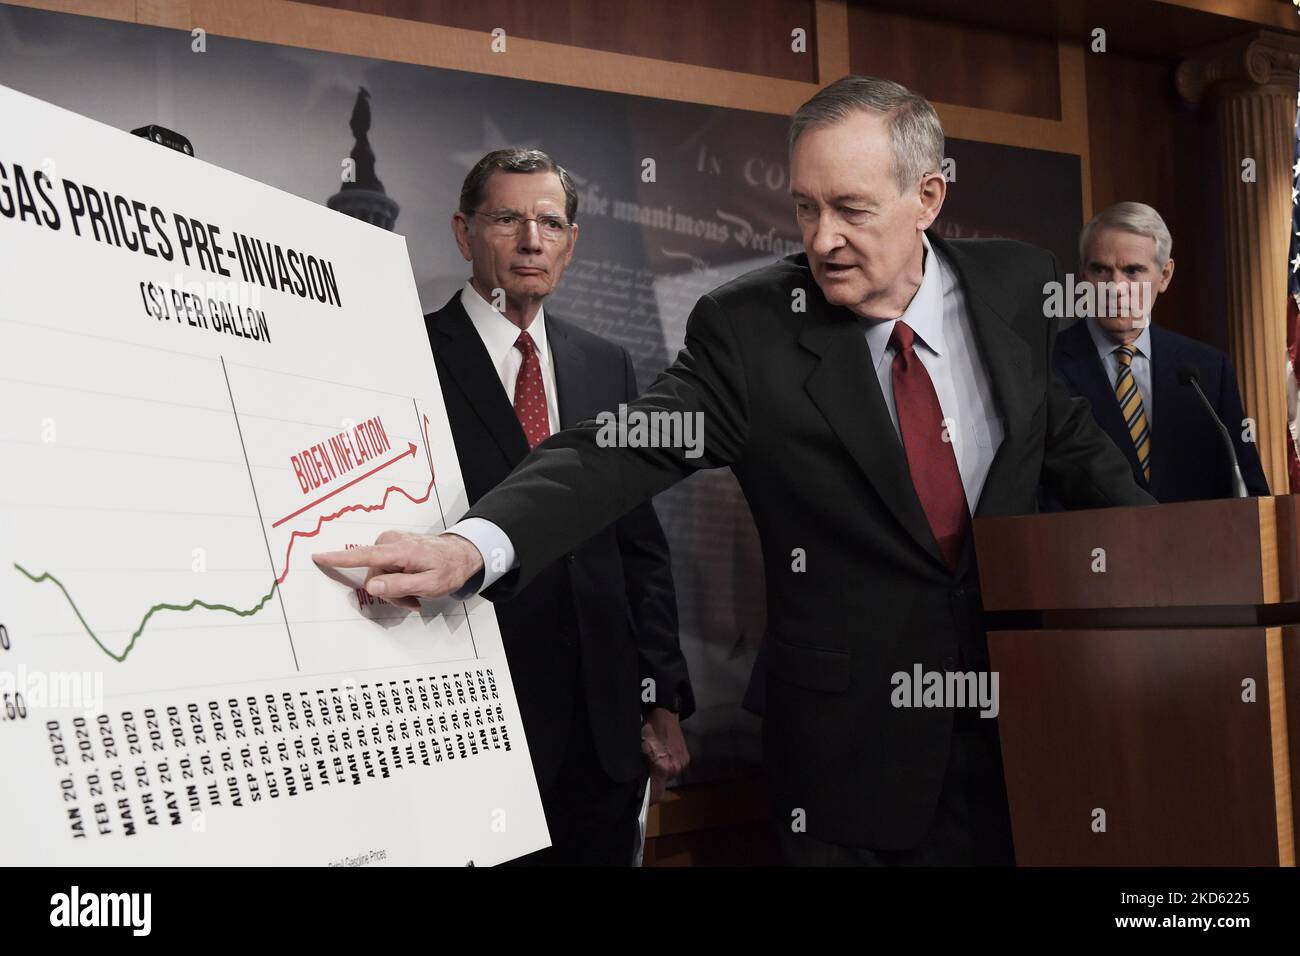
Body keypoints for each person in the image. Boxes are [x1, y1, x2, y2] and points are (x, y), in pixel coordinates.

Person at [317, 76, 1156, 866]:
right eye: (804, 207)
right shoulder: (750, 329)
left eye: (851, 209)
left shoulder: (1017, 288)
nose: (821, 239)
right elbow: (624, 446)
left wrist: (1188, 576)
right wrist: (474, 547)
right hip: (847, 776)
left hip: (1020, 750)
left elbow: (1077, 452)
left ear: (928, 198)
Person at [423, 147, 693, 865]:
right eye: (507, 219)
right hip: (475, 727)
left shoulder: (605, 364)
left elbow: (640, 544)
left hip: (603, 738)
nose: (531, 240)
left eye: (549, 222)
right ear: (463, 232)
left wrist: (661, 697)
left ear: (572, 242)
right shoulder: (412, 352)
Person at [1052, 201, 1269, 501]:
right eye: (1100, 269)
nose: (1115, 287)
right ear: (1082, 274)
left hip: (1195, 545)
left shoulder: (1207, 370)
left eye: (1133, 271)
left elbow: (1247, 490)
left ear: (1165, 275)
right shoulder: (1047, 365)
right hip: (1091, 546)